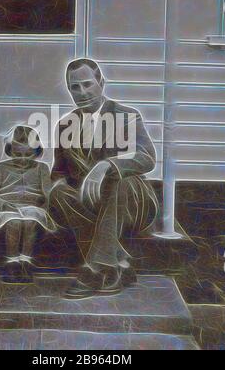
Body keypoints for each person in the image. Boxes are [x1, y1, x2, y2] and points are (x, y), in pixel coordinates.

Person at [50, 58, 159, 299]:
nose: (82, 92)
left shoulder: (126, 115)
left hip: (132, 202)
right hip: (91, 203)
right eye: (74, 87)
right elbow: (59, 171)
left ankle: (95, 269)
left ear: (102, 82)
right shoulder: (64, 124)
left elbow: (147, 157)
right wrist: (56, 185)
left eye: (87, 84)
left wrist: (107, 165)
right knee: (57, 192)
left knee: (121, 182)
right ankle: (118, 261)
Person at [0, 126, 56, 283]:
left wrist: (44, 208)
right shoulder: (1, 168)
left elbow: (48, 193)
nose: (23, 159)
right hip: (7, 208)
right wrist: (3, 204)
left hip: (33, 208)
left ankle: (25, 263)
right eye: (18, 154)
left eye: (28, 154)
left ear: (36, 153)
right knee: (14, 222)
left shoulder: (42, 168)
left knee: (30, 222)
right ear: (10, 151)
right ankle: (12, 264)